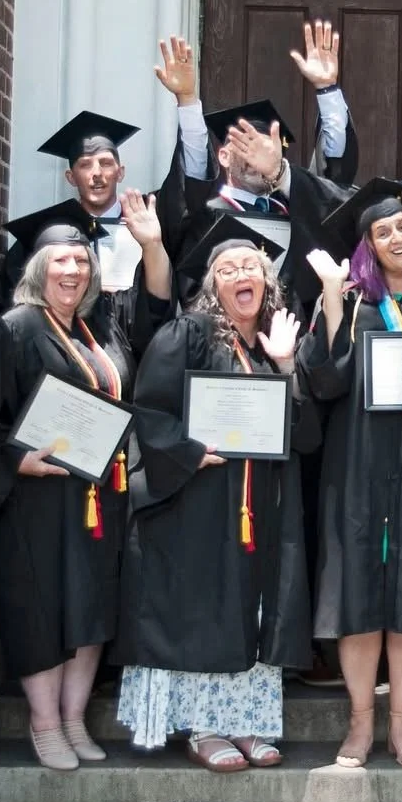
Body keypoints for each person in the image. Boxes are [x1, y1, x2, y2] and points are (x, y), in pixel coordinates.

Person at [0, 192, 173, 771]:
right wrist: (15, 461)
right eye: (61, 261)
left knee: (90, 606)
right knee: (43, 608)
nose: (73, 270)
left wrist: (151, 242)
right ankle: (44, 721)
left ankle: (76, 717)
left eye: (82, 261)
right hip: (35, 498)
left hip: (99, 495)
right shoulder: (15, 327)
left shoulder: (98, 329)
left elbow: (156, 306)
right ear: (38, 269)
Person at [116, 219, 314, 771]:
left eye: (251, 266)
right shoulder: (190, 333)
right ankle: (203, 726)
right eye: (227, 270)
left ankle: (248, 723)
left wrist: (285, 365)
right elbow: (150, 408)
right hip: (198, 501)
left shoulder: (273, 341)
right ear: (212, 285)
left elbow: (306, 434)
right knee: (204, 606)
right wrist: (186, 450)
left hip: (260, 505)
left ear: (268, 281)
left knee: (252, 610)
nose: (241, 275)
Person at [301, 178, 402, 769]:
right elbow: (324, 381)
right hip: (358, 466)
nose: (396, 236)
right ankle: (359, 722)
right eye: (382, 231)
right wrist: (330, 300)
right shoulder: (351, 303)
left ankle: (400, 724)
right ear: (366, 246)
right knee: (357, 597)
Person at [153, 21, 360, 305]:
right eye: (244, 144)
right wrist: (187, 101)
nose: (256, 155)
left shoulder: (297, 208)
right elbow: (193, 178)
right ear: (223, 156)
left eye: (266, 147)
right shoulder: (207, 216)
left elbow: (333, 181)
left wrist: (327, 89)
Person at [0, 111, 142, 307]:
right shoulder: (46, 234)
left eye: (106, 163)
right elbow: (14, 304)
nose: (97, 173)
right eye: (85, 165)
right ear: (71, 177)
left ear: (120, 173)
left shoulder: (142, 225)